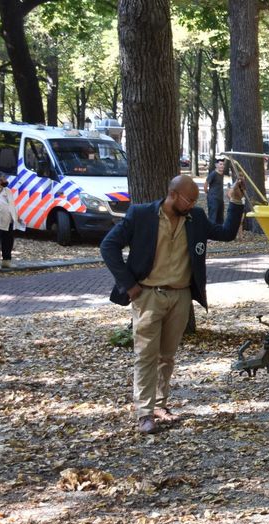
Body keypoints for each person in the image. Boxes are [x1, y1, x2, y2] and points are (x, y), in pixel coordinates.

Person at [100, 175, 246, 434]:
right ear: (173, 194)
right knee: (145, 355)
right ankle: (144, 413)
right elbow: (108, 246)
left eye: (194, 200)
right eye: (189, 199)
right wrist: (129, 285)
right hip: (148, 295)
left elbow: (226, 234)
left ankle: (160, 405)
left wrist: (235, 200)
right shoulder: (141, 215)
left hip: (180, 297)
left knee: (167, 357)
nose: (192, 204)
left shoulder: (196, 218)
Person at [205, 158, 227, 225]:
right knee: (212, 218)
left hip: (220, 199)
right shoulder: (213, 174)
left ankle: (219, 233)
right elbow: (206, 184)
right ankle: (211, 234)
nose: (222, 166)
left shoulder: (221, 174)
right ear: (216, 165)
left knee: (220, 218)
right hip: (213, 199)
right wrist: (209, 194)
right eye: (220, 164)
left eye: (223, 164)